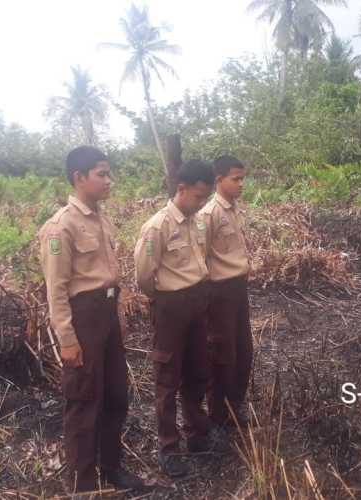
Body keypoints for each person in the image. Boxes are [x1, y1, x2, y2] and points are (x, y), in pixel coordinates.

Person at [39, 146, 146, 495]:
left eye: (108, 173)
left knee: (116, 395)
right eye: (102, 174)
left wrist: (117, 318)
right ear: (79, 178)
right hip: (82, 319)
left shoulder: (101, 219)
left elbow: (109, 278)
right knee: (84, 401)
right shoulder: (60, 227)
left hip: (107, 316)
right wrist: (67, 339)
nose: (108, 180)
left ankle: (112, 467)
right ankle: (83, 483)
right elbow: (56, 290)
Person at [134, 159, 229, 479]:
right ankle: (168, 447)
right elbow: (144, 276)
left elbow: (201, 259)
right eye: (198, 197)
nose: (202, 204)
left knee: (197, 371)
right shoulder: (157, 226)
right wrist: (164, 299)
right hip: (170, 306)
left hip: (197, 301)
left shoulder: (197, 222)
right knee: (167, 378)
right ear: (182, 189)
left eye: (206, 198)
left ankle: (196, 434)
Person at [200, 155, 253, 430]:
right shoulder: (210, 214)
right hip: (218, 292)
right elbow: (200, 256)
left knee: (244, 351)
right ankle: (218, 415)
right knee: (223, 354)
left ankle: (234, 407)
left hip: (237, 289)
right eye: (236, 179)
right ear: (218, 180)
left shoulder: (233, 209)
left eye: (243, 178)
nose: (241, 184)